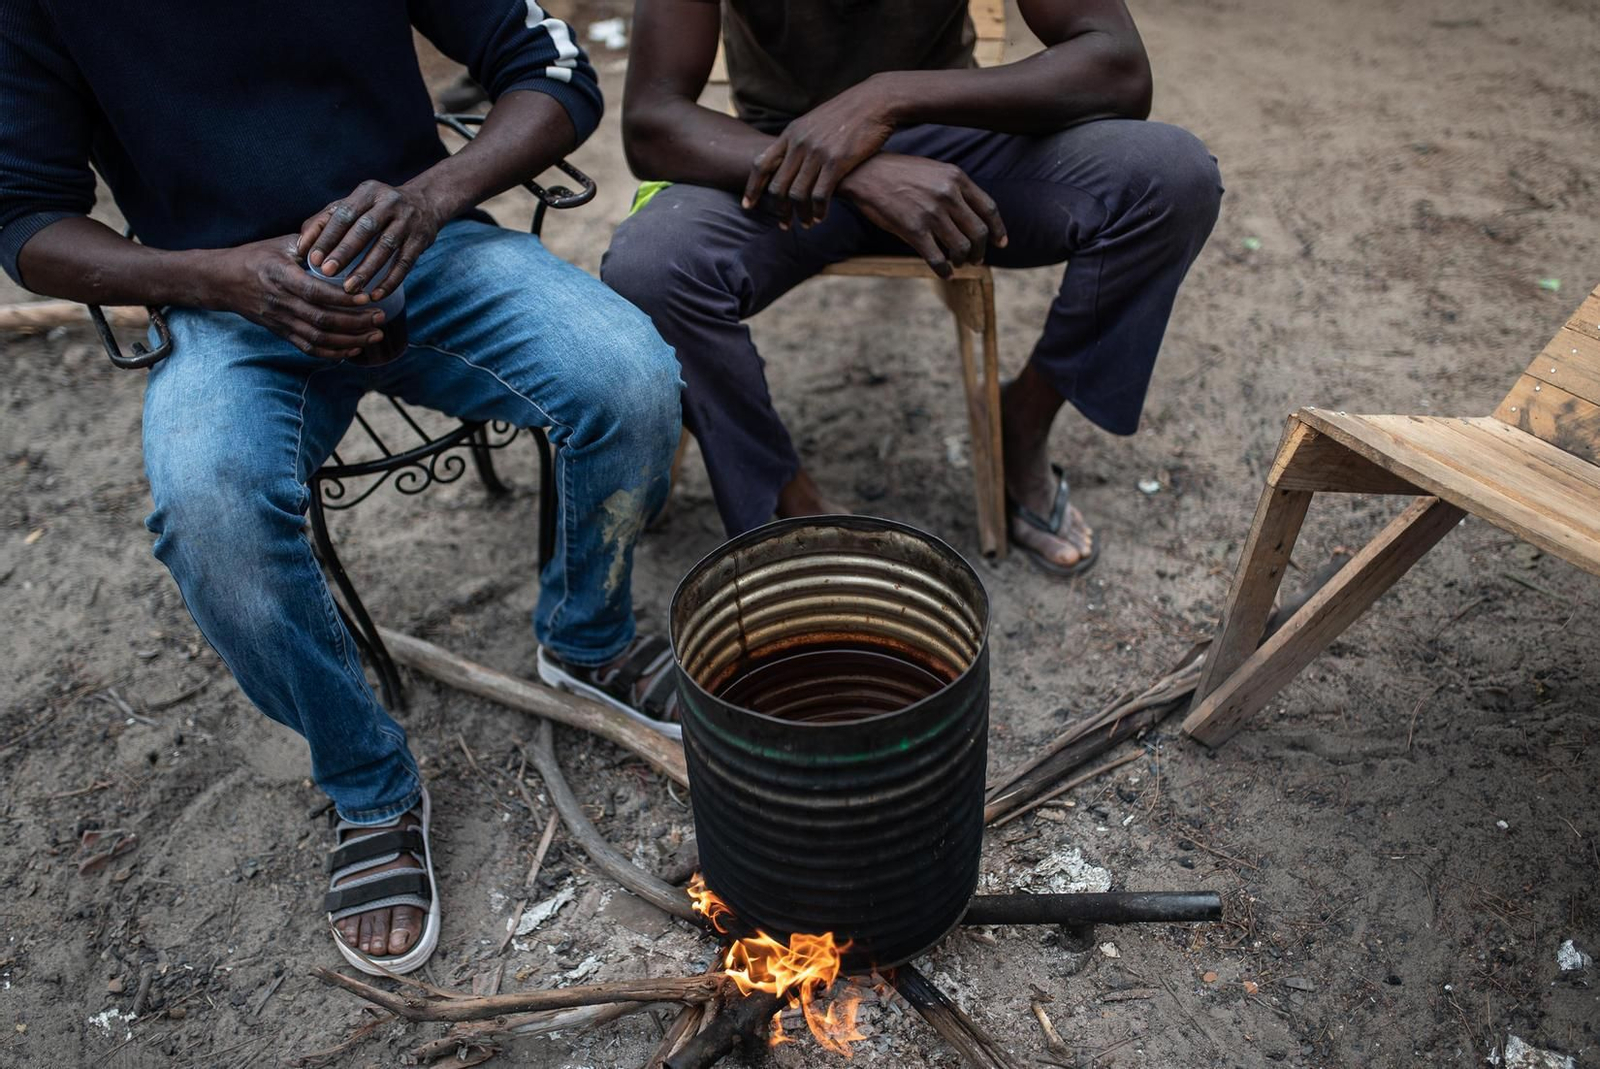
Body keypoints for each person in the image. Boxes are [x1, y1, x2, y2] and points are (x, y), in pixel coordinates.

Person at [0, 1, 684, 975]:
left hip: (428, 249)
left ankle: (588, 638)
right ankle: (369, 784)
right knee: (210, 510)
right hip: (226, 301)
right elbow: (25, 218)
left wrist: (428, 199)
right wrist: (216, 277)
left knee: (629, 377)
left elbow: (551, 70)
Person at [603, 0, 1222, 575]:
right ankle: (786, 500)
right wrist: (856, 172)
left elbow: (1116, 66)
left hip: (956, 143)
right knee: (652, 267)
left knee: (1170, 178)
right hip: (781, 156)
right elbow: (652, 122)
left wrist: (888, 97)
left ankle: (1022, 426)